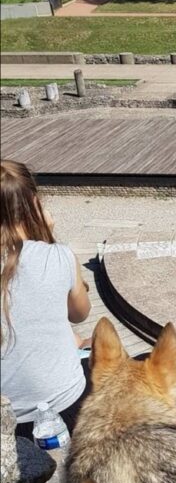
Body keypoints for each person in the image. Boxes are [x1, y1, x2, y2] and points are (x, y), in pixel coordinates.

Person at [1, 159, 92, 438]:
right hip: (65, 406)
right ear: (34, 204)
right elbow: (79, 313)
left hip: (6, 417)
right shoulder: (58, 256)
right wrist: (48, 236)